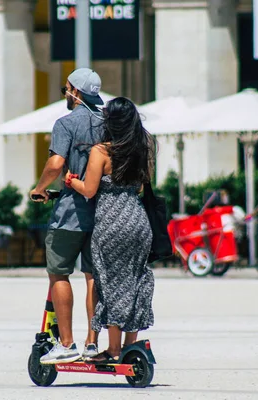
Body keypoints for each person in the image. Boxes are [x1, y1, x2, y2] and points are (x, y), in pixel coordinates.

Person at [66, 97, 156, 363]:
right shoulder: (143, 147)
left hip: (111, 221)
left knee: (110, 282)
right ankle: (131, 345)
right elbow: (141, 186)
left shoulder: (101, 151)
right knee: (135, 279)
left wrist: (72, 182)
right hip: (138, 220)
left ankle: (114, 349)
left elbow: (90, 189)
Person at [30, 68, 105, 364]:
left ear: (74, 91)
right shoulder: (107, 123)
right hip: (102, 213)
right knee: (92, 276)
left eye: (66, 90)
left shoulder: (66, 123)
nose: (66, 94)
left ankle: (67, 343)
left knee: (59, 273)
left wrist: (39, 189)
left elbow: (56, 163)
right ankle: (91, 342)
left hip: (70, 214)